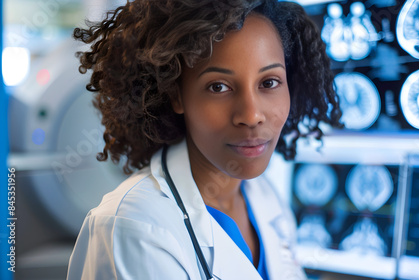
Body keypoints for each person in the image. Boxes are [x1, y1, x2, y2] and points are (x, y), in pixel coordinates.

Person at [67, 0, 342, 279]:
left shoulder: (265, 198)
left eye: (269, 82)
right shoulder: (134, 227)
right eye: (218, 87)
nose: (251, 115)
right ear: (176, 95)